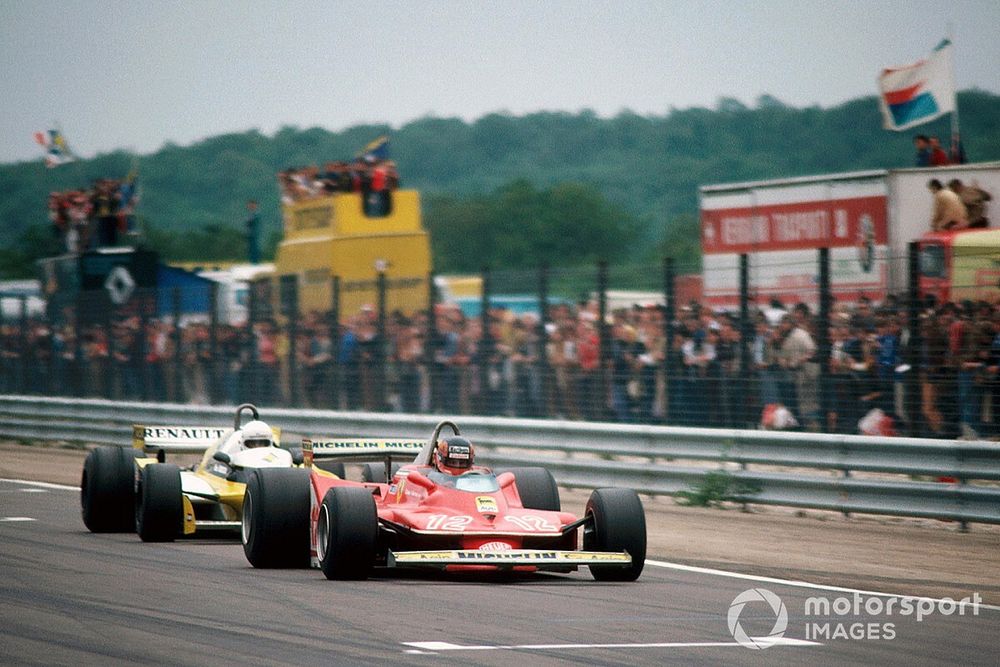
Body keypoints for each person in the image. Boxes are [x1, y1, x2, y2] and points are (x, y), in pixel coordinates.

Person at [245, 200, 261, 264]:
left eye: (251, 205)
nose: (249, 206)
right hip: (250, 234)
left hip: (254, 234)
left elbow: (250, 222)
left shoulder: (256, 214)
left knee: (254, 248)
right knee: (250, 248)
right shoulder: (251, 214)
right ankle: (252, 261)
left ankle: (255, 261)